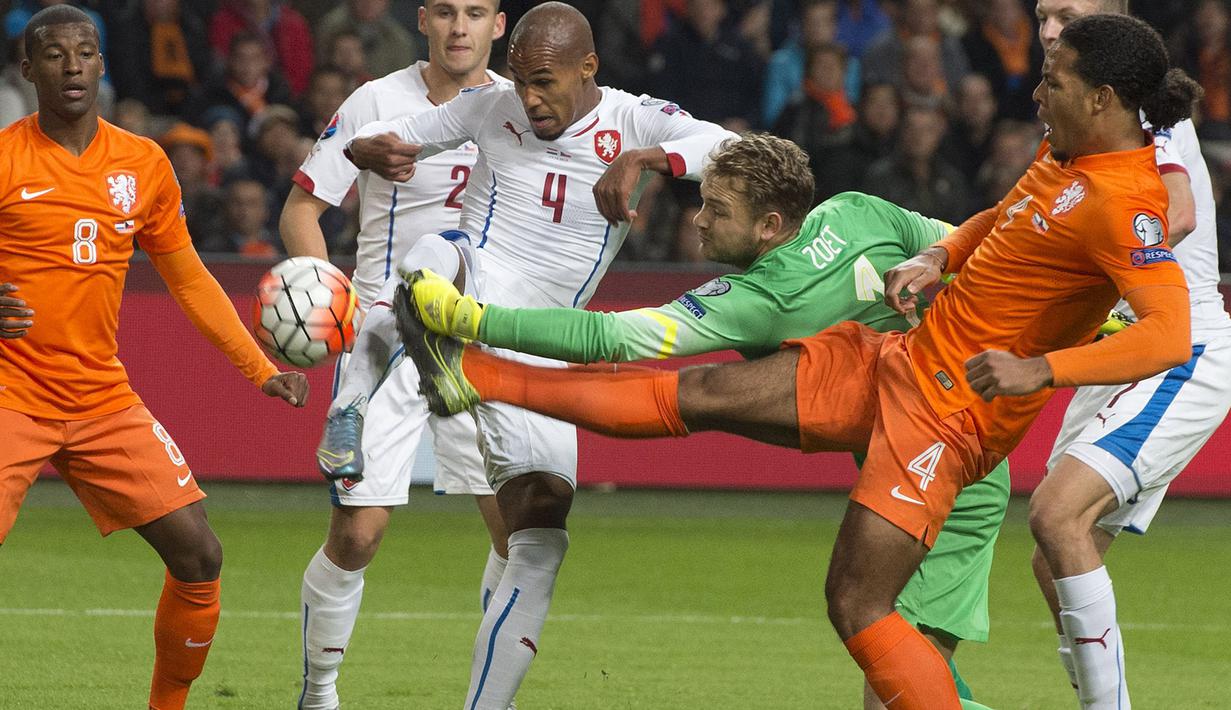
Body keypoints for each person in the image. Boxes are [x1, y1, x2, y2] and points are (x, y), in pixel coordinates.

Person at [393, 14, 1199, 709]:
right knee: (706, 393)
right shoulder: (1055, 159)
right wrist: (941, 254)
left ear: (1101, 98)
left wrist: (1042, 369)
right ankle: (476, 377)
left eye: (1054, 80)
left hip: (947, 420)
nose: (1037, 93)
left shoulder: (1122, 203)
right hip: (897, 361)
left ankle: (478, 366)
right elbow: (1002, 216)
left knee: (859, 608)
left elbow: (1167, 336)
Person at [405, 133, 1009, 708]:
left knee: (890, 681)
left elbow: (609, 336)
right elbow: (971, 248)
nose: (698, 220)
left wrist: (473, 319)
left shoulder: (757, 298)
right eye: (703, 202)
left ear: (769, 225)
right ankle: (479, 375)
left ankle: (477, 372)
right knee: (911, 673)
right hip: (942, 443)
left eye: (717, 210)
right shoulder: (860, 211)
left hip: (940, 471)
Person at [342, 4, 736, 707]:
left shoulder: (633, 120)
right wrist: (365, 150)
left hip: (540, 352)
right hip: (475, 290)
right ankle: (364, 391)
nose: (527, 97)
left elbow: (730, 150)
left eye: (543, 82)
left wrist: (643, 160)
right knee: (439, 252)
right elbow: (386, 135)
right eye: (520, 80)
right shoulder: (489, 105)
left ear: (588, 68)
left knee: (540, 540)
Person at [0, 7, 308, 710]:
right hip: (10, 393)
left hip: (99, 399)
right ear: (27, 70)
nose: (72, 65)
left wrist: (261, 368)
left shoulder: (142, 164)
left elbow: (189, 278)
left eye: (85, 52)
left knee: (199, 555)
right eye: (54, 54)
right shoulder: (6, 156)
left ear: (102, 64)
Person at [278, 2, 510, 708]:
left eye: (475, 12)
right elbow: (300, 211)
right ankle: (320, 693)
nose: (460, 27)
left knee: (520, 536)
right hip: (386, 334)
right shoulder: (375, 102)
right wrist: (325, 295)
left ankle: (491, 696)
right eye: (446, 12)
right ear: (423, 21)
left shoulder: (517, 109)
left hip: (485, 339)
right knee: (358, 536)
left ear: (499, 25)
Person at [1030, 1, 1231, 707]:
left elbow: (1177, 213)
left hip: (1178, 342)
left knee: (1057, 516)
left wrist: (1088, 263)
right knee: (1053, 555)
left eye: (1067, 12)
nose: (1050, 27)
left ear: (1114, 15)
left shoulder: (1142, 106)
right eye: (1041, 13)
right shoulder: (1067, 115)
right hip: (1122, 348)